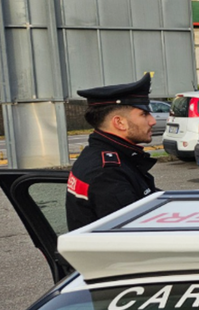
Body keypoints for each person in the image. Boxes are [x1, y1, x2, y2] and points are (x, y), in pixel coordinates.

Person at [66, 74, 160, 231]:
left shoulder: (100, 154)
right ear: (119, 122)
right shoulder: (107, 172)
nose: (153, 121)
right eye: (144, 114)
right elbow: (131, 235)